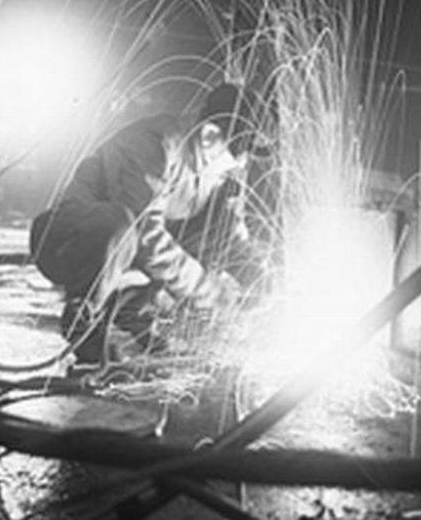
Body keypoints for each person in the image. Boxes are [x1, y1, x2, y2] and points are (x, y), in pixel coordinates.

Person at [30, 82, 266, 362]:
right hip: (67, 242)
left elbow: (228, 232)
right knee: (120, 223)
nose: (240, 163)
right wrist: (209, 290)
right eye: (238, 153)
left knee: (217, 220)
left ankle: (134, 312)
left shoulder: (218, 168)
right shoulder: (155, 144)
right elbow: (146, 235)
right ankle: (85, 324)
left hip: (129, 257)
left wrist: (258, 275)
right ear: (209, 136)